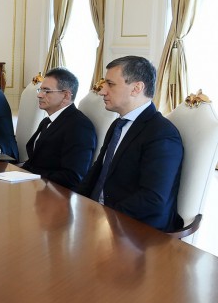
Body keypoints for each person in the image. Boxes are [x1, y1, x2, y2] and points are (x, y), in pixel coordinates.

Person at [74, 56, 184, 232]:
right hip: (98, 217)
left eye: (110, 84)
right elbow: (98, 171)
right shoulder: (118, 124)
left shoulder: (161, 134)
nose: (102, 91)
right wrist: (72, 201)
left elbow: (152, 199)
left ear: (136, 88)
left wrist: (103, 218)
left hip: (134, 229)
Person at [20, 67, 96, 190]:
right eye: (40, 90)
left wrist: (31, 177)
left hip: (56, 195)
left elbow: (72, 177)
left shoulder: (79, 126)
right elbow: (34, 161)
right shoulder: (47, 121)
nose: (39, 95)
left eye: (46, 91)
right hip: (35, 186)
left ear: (66, 96)